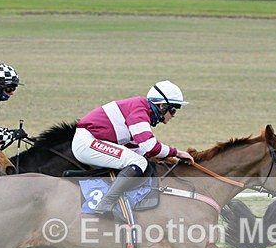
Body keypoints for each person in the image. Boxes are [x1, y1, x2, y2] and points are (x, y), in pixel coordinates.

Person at [72, 80, 195, 216]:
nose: (174, 115)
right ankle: (106, 203)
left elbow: (140, 148)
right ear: (162, 106)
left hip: (94, 140)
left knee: (139, 159)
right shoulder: (140, 110)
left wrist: (167, 156)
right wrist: (176, 153)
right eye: (173, 109)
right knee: (138, 162)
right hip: (87, 142)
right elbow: (150, 147)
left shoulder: (142, 109)